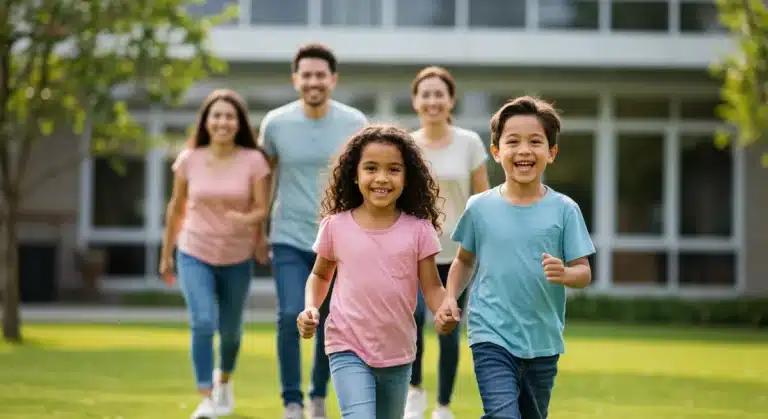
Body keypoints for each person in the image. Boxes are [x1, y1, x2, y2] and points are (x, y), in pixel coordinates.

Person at [438, 96, 596, 419]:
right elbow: (464, 260)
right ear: (497, 152)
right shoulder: (479, 208)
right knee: (503, 414)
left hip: (543, 340)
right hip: (490, 332)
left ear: (551, 153)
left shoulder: (565, 210)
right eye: (513, 142)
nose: (524, 150)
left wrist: (565, 273)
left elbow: (584, 272)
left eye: (535, 142)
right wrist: (450, 297)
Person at [296, 125, 461, 419]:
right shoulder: (336, 226)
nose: (382, 178)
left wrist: (443, 309)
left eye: (393, 169)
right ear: (355, 175)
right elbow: (320, 276)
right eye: (371, 168)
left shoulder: (419, 230)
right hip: (346, 344)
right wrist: (311, 307)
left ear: (407, 177)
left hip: (398, 351)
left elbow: (432, 286)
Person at [257, 43, 368, 419]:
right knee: (291, 314)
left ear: (333, 79)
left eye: (320, 74)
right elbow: (265, 177)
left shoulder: (355, 123)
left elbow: (363, 179)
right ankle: (292, 402)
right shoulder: (275, 124)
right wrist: (259, 229)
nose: (313, 81)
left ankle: (318, 395)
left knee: (329, 321)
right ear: (295, 79)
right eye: (306, 75)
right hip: (289, 236)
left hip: (338, 241)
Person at [160, 89, 271, 418]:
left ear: (239, 123)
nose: (223, 122)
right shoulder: (189, 159)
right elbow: (176, 208)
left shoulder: (254, 161)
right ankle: (206, 397)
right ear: (206, 121)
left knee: (232, 331)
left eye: (229, 116)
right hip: (194, 250)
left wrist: (247, 220)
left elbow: (262, 208)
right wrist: (166, 253)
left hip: (237, 255)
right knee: (204, 322)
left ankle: (223, 382)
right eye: (217, 115)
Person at [405, 66, 490, 419]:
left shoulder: (469, 142)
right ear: (415, 101)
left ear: (451, 99)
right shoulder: (406, 144)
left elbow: (483, 197)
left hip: (458, 253)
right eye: (425, 94)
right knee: (412, 324)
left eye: (439, 94)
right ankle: (414, 392)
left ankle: (442, 405)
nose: (433, 100)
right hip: (414, 252)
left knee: (448, 327)